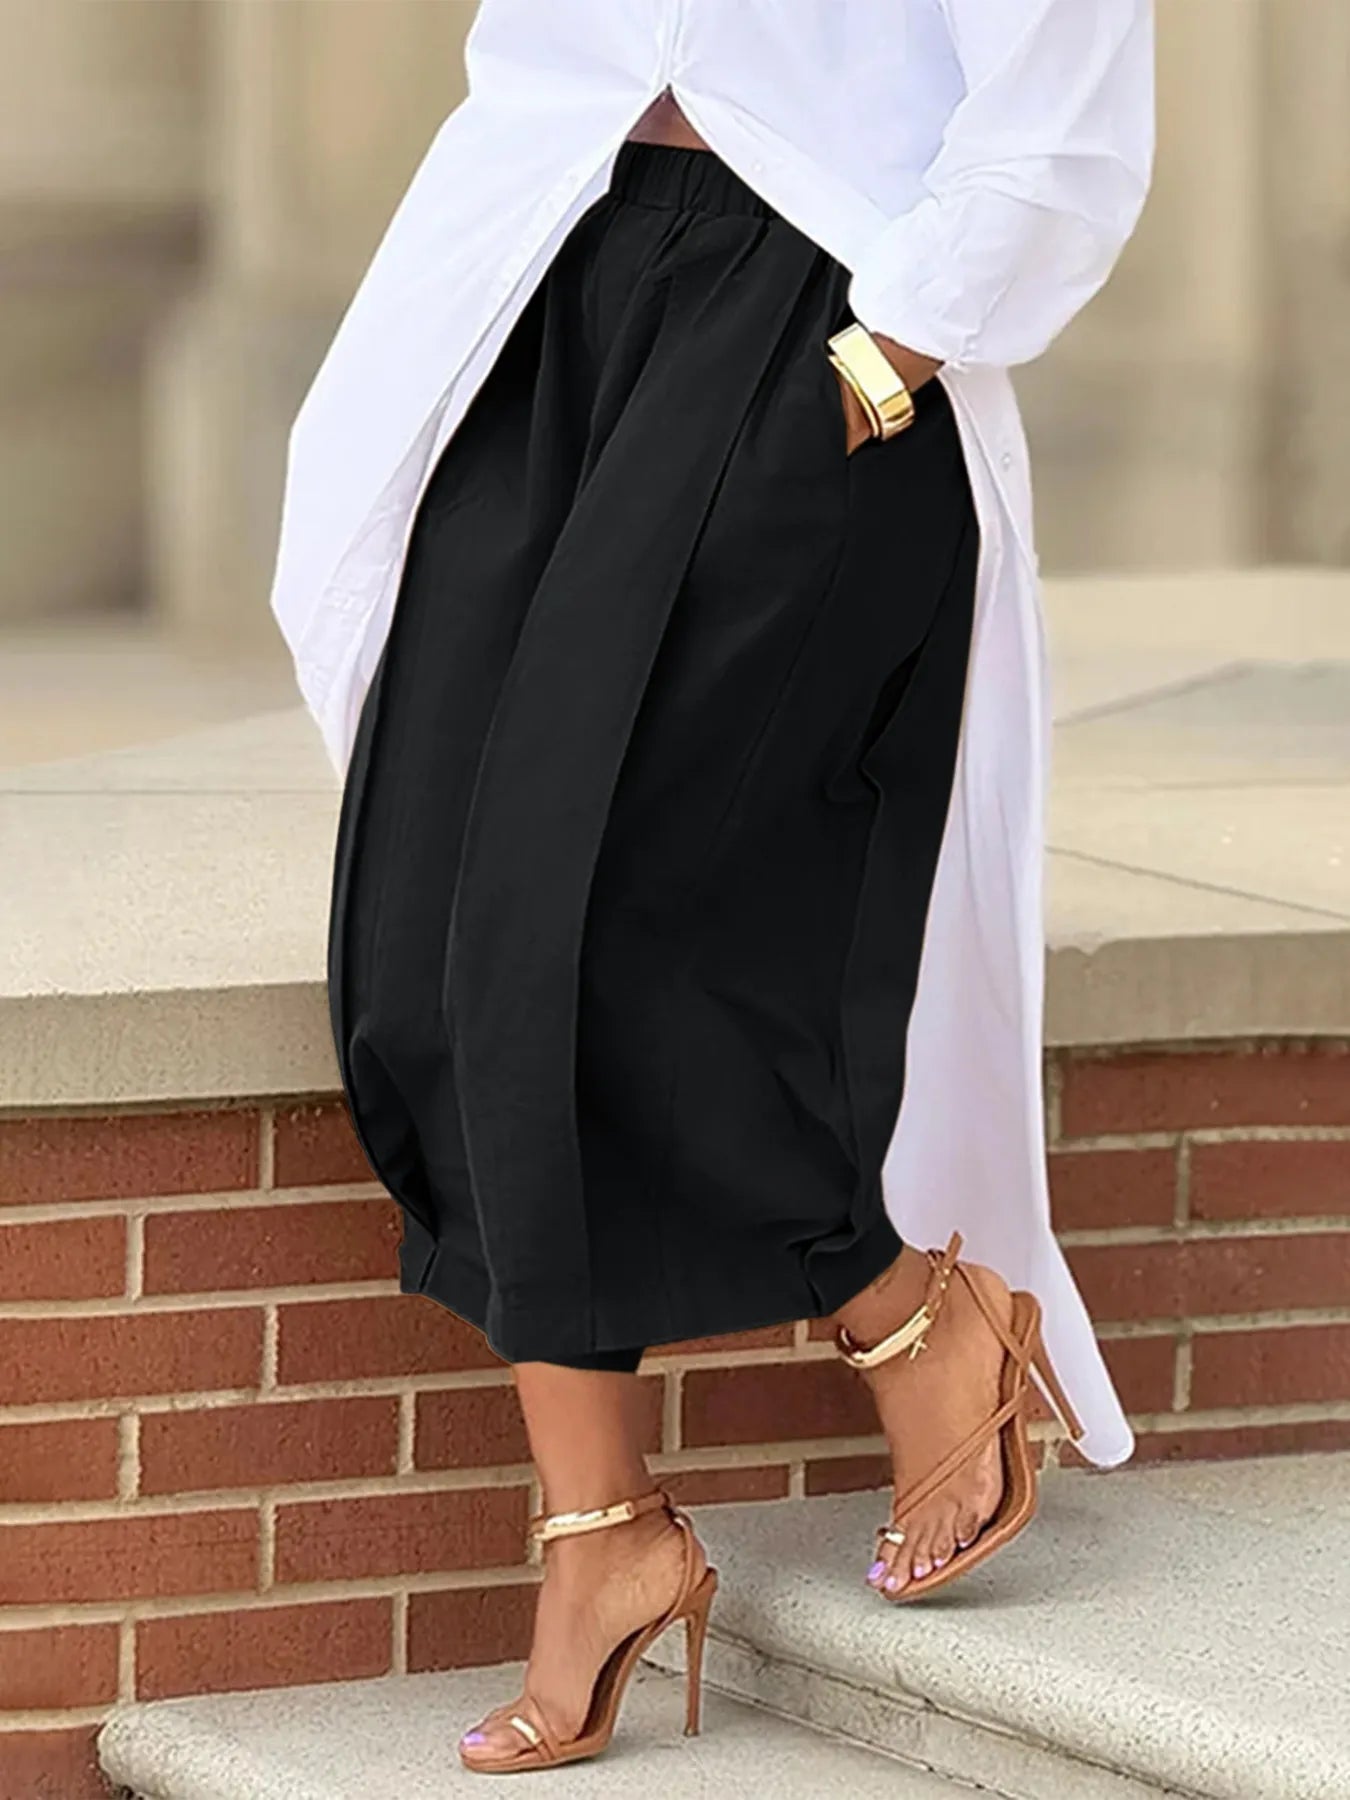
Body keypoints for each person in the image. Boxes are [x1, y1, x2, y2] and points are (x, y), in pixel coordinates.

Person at [269, 0, 1154, 1775]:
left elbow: (1066, 83)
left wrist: (890, 345)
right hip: (542, 249)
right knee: (424, 938)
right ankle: (615, 1535)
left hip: (812, 298)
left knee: (593, 904)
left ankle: (897, 1307)